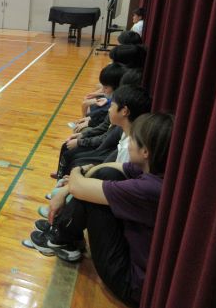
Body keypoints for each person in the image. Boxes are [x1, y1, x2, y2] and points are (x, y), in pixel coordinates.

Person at [25, 112, 174, 307]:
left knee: (92, 197)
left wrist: (77, 174)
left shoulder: (149, 189)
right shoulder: (156, 171)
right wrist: (79, 180)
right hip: (138, 260)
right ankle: (64, 233)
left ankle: (61, 238)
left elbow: (80, 187)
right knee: (105, 174)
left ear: (145, 151)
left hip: (130, 283)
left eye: (132, 140)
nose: (129, 143)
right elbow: (111, 168)